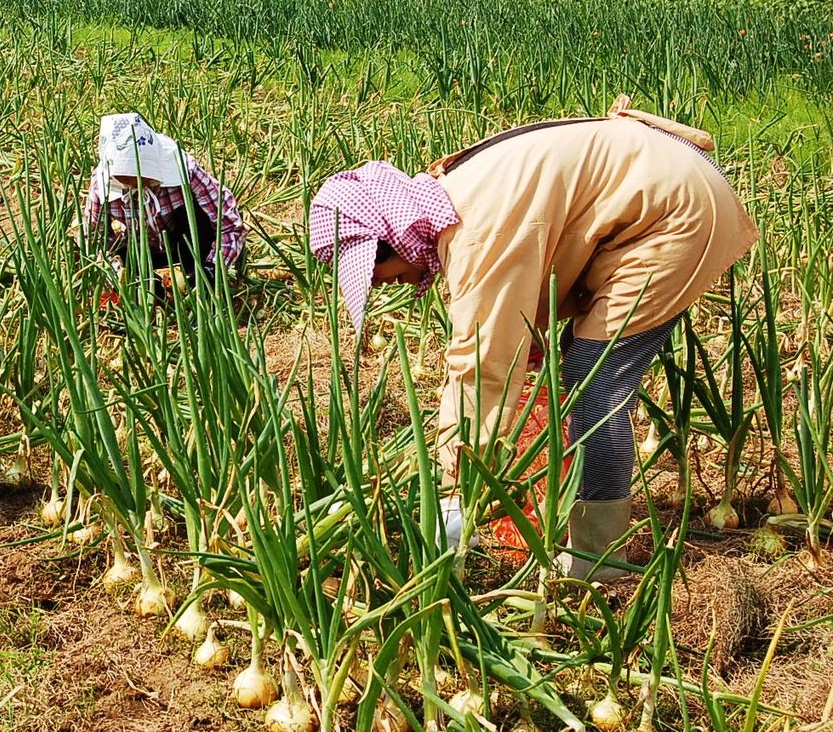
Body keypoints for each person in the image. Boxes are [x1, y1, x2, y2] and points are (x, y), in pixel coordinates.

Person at [308, 96, 758, 580]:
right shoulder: (456, 202)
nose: (379, 284)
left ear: (390, 236)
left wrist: (452, 492)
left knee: (595, 389)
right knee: (577, 373)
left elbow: (481, 366)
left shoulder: (474, 231)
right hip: (656, 193)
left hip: (673, 214)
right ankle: (575, 517)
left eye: (373, 271)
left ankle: (597, 559)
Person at [83, 112, 245, 289]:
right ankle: (147, 284)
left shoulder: (182, 169)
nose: (136, 182)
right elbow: (93, 242)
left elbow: (229, 226)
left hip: (186, 245)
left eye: (142, 173)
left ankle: (196, 276)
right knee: (134, 280)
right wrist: (117, 274)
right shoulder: (102, 186)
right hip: (141, 252)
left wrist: (213, 266)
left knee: (193, 213)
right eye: (126, 177)